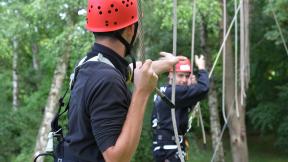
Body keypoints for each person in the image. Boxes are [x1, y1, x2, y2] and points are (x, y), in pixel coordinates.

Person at [55, 0, 182, 162]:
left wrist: (168, 63)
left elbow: (132, 71)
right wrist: (141, 93)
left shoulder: (90, 64)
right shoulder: (108, 80)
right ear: (130, 29)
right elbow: (116, 158)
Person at [151, 55, 209, 162]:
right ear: (170, 75)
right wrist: (201, 68)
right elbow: (203, 89)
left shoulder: (166, 91)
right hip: (170, 150)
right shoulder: (174, 92)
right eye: (180, 75)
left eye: (187, 76)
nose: (184, 80)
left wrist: (193, 88)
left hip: (165, 147)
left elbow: (188, 104)